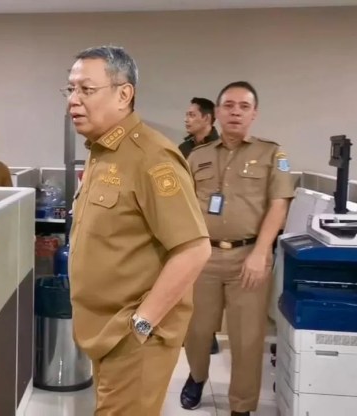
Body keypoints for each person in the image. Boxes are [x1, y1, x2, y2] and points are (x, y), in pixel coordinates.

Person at [65, 45, 211, 415]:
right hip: (104, 331)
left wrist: (141, 324)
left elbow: (194, 249)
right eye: (70, 89)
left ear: (124, 94)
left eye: (86, 89)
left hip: (132, 334)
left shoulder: (151, 157)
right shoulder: (102, 153)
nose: (73, 100)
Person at [181, 81, 294, 416]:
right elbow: (182, 206)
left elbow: (279, 204)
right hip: (203, 255)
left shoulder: (272, 154)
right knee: (196, 329)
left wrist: (261, 252)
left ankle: (241, 406)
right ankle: (197, 376)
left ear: (254, 113)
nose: (235, 112)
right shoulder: (197, 156)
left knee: (247, 338)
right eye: (229, 105)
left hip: (250, 256)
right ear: (217, 112)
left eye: (244, 106)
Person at [181, 97, 222, 355]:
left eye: (192, 115)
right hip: (186, 223)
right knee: (187, 281)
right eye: (187, 114)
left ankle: (208, 337)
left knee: (208, 287)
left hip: (212, 226)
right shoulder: (184, 148)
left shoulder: (221, 148)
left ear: (207, 118)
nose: (186, 119)